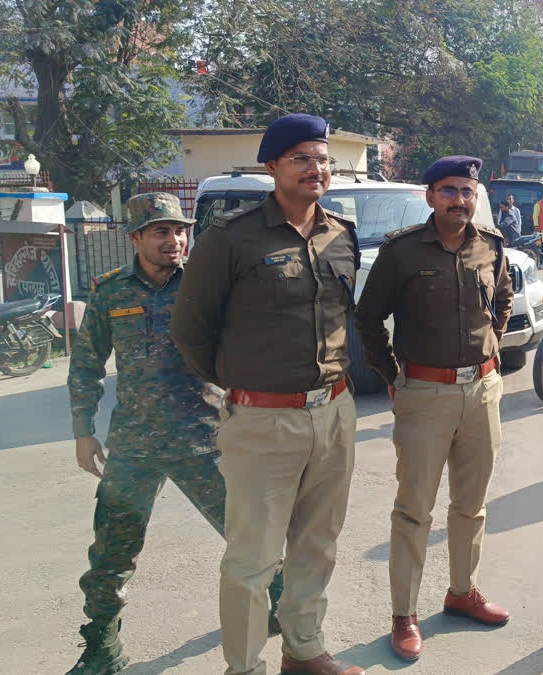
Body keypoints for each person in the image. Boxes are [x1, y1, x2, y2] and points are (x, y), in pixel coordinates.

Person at [172, 113, 364, 675]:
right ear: (273, 166)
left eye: (323, 158)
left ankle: (303, 651)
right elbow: (190, 329)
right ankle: (245, 667)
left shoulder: (340, 235)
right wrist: (242, 387)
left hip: (333, 411)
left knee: (316, 545)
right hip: (262, 422)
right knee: (253, 560)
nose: (316, 168)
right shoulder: (231, 239)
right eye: (302, 157)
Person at [65, 193, 284, 675]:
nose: (175, 240)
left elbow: (248, 347)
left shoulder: (207, 286)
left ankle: (280, 606)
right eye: (161, 231)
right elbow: (85, 366)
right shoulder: (109, 292)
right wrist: (84, 431)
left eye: (180, 230)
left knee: (249, 534)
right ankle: (102, 647)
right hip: (134, 446)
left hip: (206, 439)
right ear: (136, 237)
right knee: (111, 553)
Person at [353, 156, 514, 663]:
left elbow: (503, 302)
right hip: (424, 393)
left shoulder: (490, 246)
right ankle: (405, 613)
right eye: (449, 191)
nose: (459, 200)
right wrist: (392, 375)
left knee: (472, 504)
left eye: (467, 191)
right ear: (430, 197)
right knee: (414, 509)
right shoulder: (401, 252)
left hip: (482, 391)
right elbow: (368, 317)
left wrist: (488, 352)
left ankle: (463, 592)